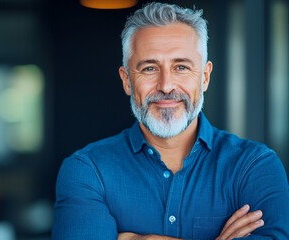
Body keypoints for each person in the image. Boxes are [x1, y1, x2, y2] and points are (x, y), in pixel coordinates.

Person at [52, 2, 289, 239]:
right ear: (126, 80)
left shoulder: (255, 167)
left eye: (181, 67)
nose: (166, 86)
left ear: (204, 77)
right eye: (149, 69)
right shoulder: (88, 171)